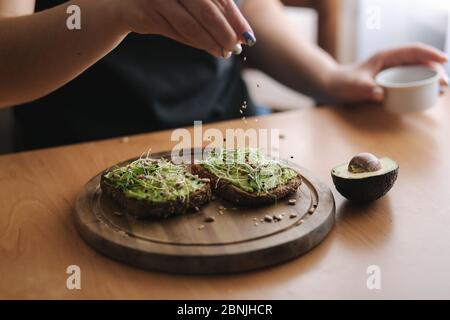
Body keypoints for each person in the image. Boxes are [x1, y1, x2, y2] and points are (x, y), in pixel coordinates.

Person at [0, 0, 447, 151]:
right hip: (75, 157)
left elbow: (245, 9)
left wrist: (330, 77)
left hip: (226, 138)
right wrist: (120, 9)